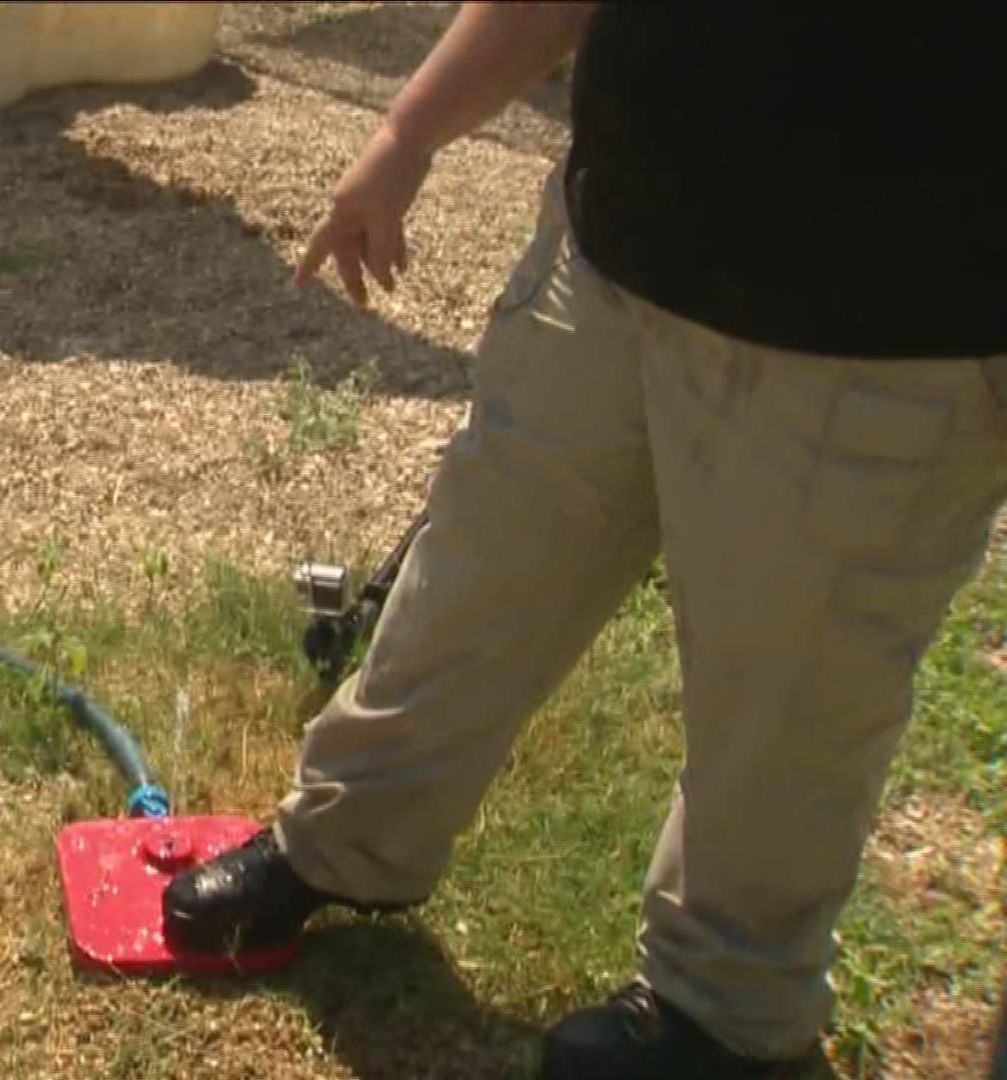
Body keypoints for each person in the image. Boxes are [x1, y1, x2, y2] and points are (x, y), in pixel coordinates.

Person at [160, 4, 1007, 1078]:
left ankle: (728, 1010)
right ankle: (346, 840)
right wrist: (408, 133)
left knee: (784, 694)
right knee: (477, 570)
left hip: (877, 330)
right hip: (617, 249)